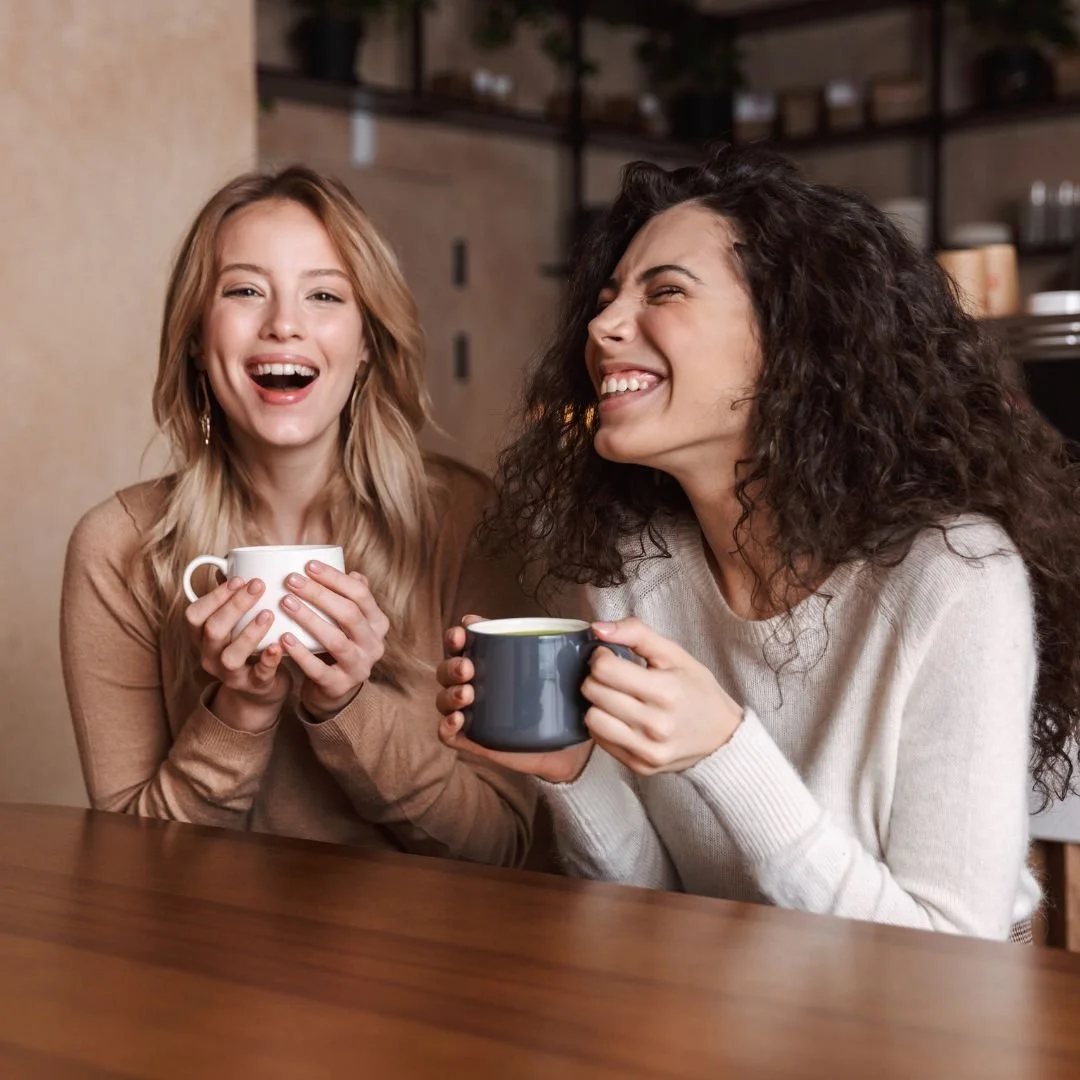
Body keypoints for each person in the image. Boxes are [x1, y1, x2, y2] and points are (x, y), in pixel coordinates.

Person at [435, 145, 1080, 938]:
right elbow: (654, 894)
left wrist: (725, 751)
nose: (601, 326)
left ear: (794, 337)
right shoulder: (638, 566)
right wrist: (573, 771)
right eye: (605, 299)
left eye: (664, 291)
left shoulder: (955, 579)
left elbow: (949, 954)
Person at [61, 165, 536, 865]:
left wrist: (349, 706)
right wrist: (239, 714)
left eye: (323, 295)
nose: (284, 324)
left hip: (431, 959)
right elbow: (133, 861)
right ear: (196, 337)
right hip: (206, 957)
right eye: (245, 291)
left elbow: (504, 848)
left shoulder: (467, 523)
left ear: (368, 342)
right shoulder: (117, 549)